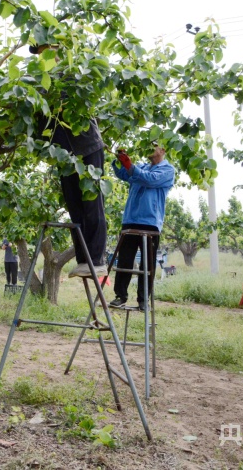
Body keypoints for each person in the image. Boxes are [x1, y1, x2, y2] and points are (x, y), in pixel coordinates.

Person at [30, 44, 108, 278]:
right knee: (74, 206)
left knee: (92, 204)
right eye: (39, 52)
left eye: (47, 49)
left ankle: (97, 259)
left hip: (87, 146)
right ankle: (84, 260)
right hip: (64, 155)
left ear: (57, 49)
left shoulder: (73, 73)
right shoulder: (39, 81)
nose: (43, 55)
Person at [109, 142, 176, 311]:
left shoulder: (167, 170)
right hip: (130, 219)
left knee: (148, 264)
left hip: (150, 223)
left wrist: (131, 166)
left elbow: (149, 180)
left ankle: (143, 300)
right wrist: (118, 161)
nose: (149, 148)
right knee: (124, 260)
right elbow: (124, 174)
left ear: (162, 150)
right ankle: (120, 296)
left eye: (154, 145)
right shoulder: (142, 167)